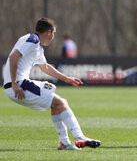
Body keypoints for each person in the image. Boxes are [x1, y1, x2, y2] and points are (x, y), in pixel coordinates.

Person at [3, 18, 101, 150]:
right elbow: (13, 57)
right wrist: (15, 83)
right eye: (54, 34)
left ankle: (65, 143)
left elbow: (45, 67)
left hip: (18, 84)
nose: (53, 37)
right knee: (60, 102)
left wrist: (66, 78)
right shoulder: (33, 40)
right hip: (18, 85)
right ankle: (79, 137)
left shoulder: (36, 46)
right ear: (49, 32)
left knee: (58, 105)